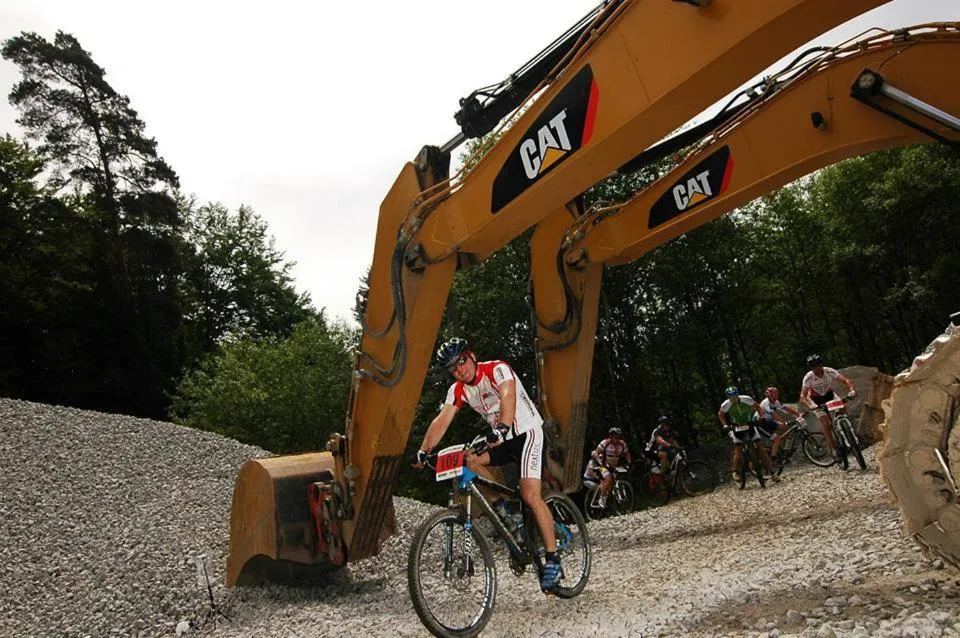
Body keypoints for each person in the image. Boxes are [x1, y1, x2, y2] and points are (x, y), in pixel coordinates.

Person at [415, 337, 562, 594]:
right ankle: (505, 511)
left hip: (526, 433)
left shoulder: (496, 369)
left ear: (471, 356)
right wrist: (423, 450)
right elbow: (443, 418)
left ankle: (553, 560)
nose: (459, 370)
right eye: (453, 368)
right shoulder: (458, 390)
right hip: (500, 439)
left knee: (530, 495)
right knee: (469, 460)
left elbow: (507, 394)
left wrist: (503, 426)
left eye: (461, 361)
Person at [799, 354, 856, 465]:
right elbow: (802, 396)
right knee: (826, 424)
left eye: (819, 365)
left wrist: (852, 390)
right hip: (815, 400)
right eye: (814, 366)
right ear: (811, 368)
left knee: (843, 408)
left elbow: (846, 381)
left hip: (829, 395)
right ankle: (834, 450)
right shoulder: (808, 377)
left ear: (822, 364)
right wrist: (810, 405)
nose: (817, 368)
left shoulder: (829, 371)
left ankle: (843, 425)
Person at [717, 386, 777, 483]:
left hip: (749, 424)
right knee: (738, 451)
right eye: (731, 397)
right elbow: (721, 414)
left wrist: (761, 416)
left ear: (738, 395)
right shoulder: (725, 405)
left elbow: (758, 407)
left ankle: (772, 473)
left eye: (735, 396)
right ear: (728, 397)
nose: (733, 399)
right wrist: (725, 425)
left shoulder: (747, 399)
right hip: (736, 427)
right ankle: (735, 471)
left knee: (761, 449)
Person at [582, 427, 632, 509]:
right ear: (611, 436)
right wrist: (600, 462)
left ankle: (609, 497)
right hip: (602, 466)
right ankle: (601, 499)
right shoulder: (605, 443)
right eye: (615, 437)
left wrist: (629, 462)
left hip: (612, 466)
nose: (617, 439)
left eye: (619, 437)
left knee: (616, 478)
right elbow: (595, 453)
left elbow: (627, 453)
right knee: (608, 478)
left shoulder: (622, 444)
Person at [758, 386, 802, 465]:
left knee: (785, 427)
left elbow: (785, 408)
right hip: (761, 423)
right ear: (768, 396)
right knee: (778, 438)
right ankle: (773, 459)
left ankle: (782, 448)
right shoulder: (766, 403)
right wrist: (783, 421)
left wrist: (798, 414)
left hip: (768, 421)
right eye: (773, 395)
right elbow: (773, 414)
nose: (775, 397)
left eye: (776, 395)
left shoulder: (775, 401)